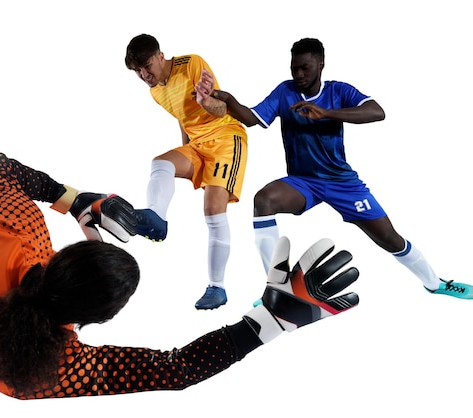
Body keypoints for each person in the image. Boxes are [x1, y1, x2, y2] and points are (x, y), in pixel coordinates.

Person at [0, 151, 360, 399]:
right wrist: (266, 324)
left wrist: (77, 200)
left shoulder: (21, 235)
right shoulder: (51, 370)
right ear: (93, 321)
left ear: (64, 257)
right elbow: (176, 370)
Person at [195, 37, 472, 299]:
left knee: (389, 239)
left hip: (342, 182)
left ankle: (435, 284)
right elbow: (252, 118)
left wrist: (327, 113)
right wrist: (227, 99)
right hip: (303, 182)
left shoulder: (338, 91)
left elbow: (377, 112)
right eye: (294, 68)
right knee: (263, 200)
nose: (299, 74)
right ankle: (277, 289)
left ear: (321, 65)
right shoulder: (285, 91)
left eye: (305, 67)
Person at [125, 33, 248, 309]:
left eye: (147, 66)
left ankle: (217, 288)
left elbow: (222, 109)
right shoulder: (155, 90)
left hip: (226, 137)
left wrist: (206, 101)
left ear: (160, 56)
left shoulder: (191, 64)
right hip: (197, 144)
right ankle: (156, 216)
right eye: (138, 71)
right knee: (161, 163)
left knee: (213, 211)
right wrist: (186, 153)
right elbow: (183, 119)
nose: (145, 74)